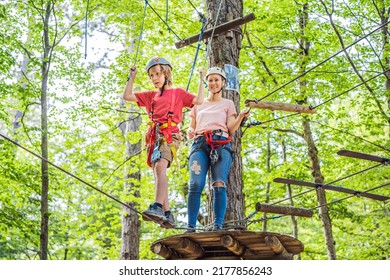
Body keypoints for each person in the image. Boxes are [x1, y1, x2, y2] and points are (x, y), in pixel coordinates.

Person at [123, 56, 204, 229]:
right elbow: (127, 96)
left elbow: (199, 101)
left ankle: (157, 206)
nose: (154, 78)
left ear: (166, 73)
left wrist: (201, 80)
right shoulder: (150, 95)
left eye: (158, 74)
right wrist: (132, 77)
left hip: (170, 134)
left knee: (160, 167)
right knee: (157, 173)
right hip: (154, 136)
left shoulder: (178, 93)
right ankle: (167, 214)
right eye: (151, 75)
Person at [186, 66, 250, 232]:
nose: (213, 83)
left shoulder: (228, 104)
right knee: (195, 184)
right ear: (207, 83)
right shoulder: (197, 103)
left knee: (219, 183)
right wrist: (190, 132)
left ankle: (217, 226)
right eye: (210, 80)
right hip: (200, 143)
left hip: (220, 143)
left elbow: (231, 128)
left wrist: (241, 116)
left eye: (216, 80)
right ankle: (190, 227)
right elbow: (190, 128)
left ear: (223, 82)